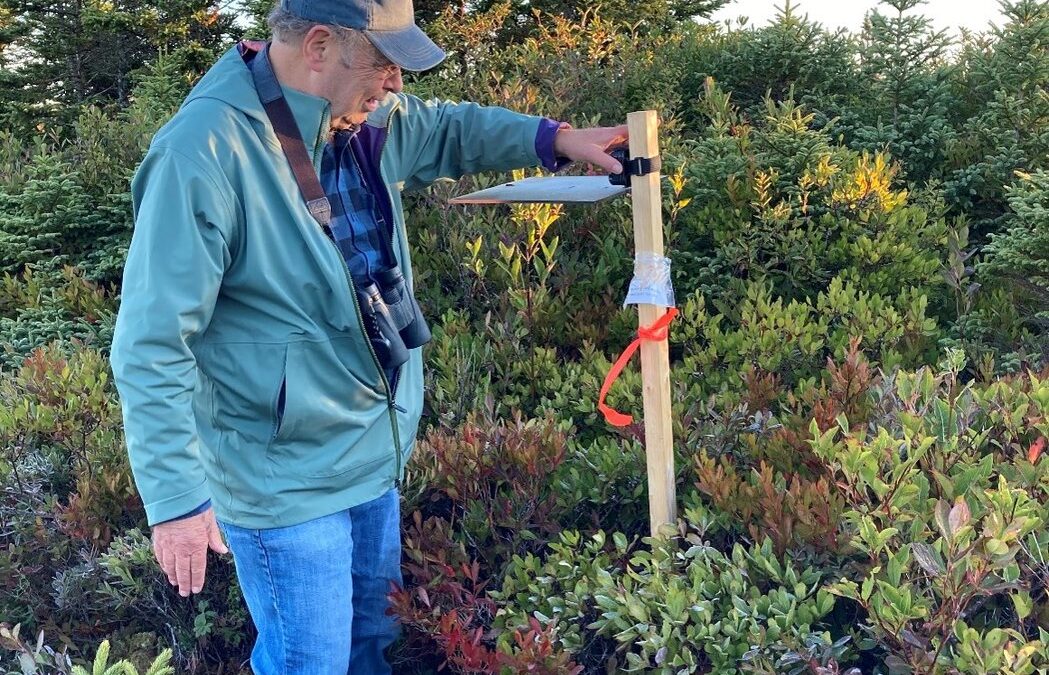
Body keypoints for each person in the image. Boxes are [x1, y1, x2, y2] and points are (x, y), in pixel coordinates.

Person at [109, 0, 627, 672]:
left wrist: (554, 139)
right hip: (283, 481)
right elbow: (151, 342)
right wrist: (177, 501)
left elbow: (449, 129)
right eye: (383, 64)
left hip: (370, 457)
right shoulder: (202, 152)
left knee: (369, 651)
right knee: (312, 664)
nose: (395, 84)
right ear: (319, 47)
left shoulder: (363, 118)